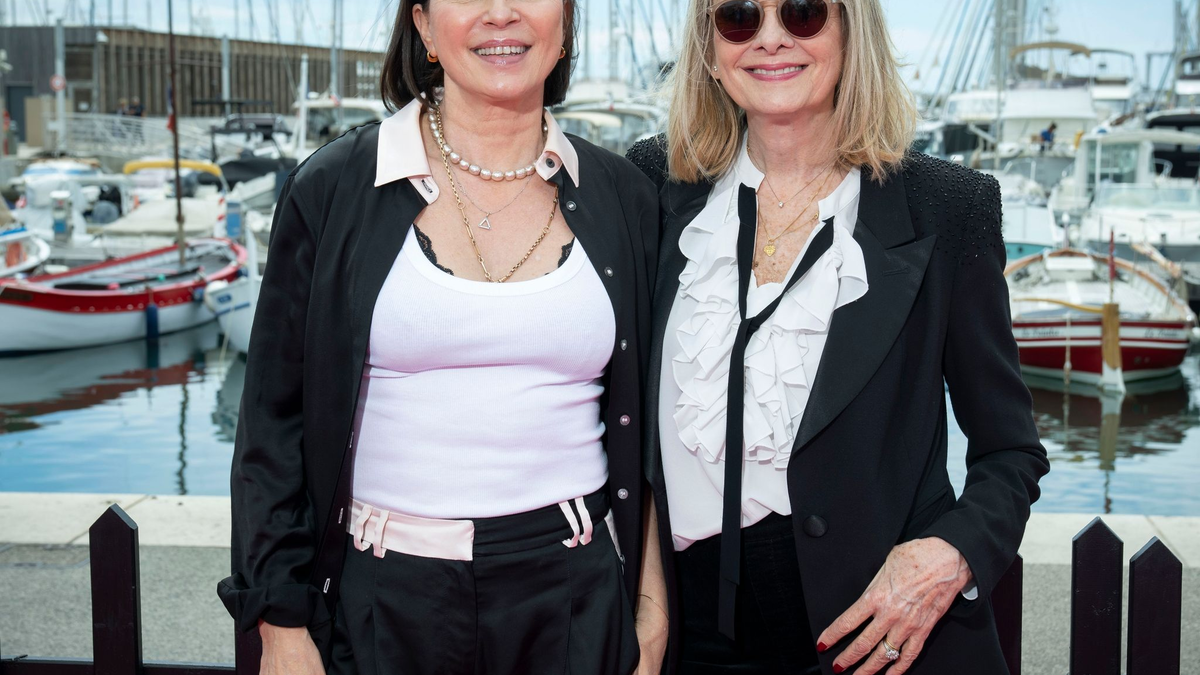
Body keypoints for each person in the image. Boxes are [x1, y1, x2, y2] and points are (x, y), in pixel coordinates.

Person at [218, 0, 669, 673]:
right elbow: (271, 428)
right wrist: (282, 625)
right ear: (424, 25)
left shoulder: (624, 195)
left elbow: (650, 424)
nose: (501, 14)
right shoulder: (333, 186)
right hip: (383, 605)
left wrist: (652, 606)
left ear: (568, 21)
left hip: (578, 600)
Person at [627, 0, 1050, 673]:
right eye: (739, 17)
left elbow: (1011, 453)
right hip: (689, 635)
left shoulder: (947, 206)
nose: (770, 40)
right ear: (709, 48)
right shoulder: (652, 186)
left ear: (852, 31)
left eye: (802, 13)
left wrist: (946, 556)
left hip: (877, 640)